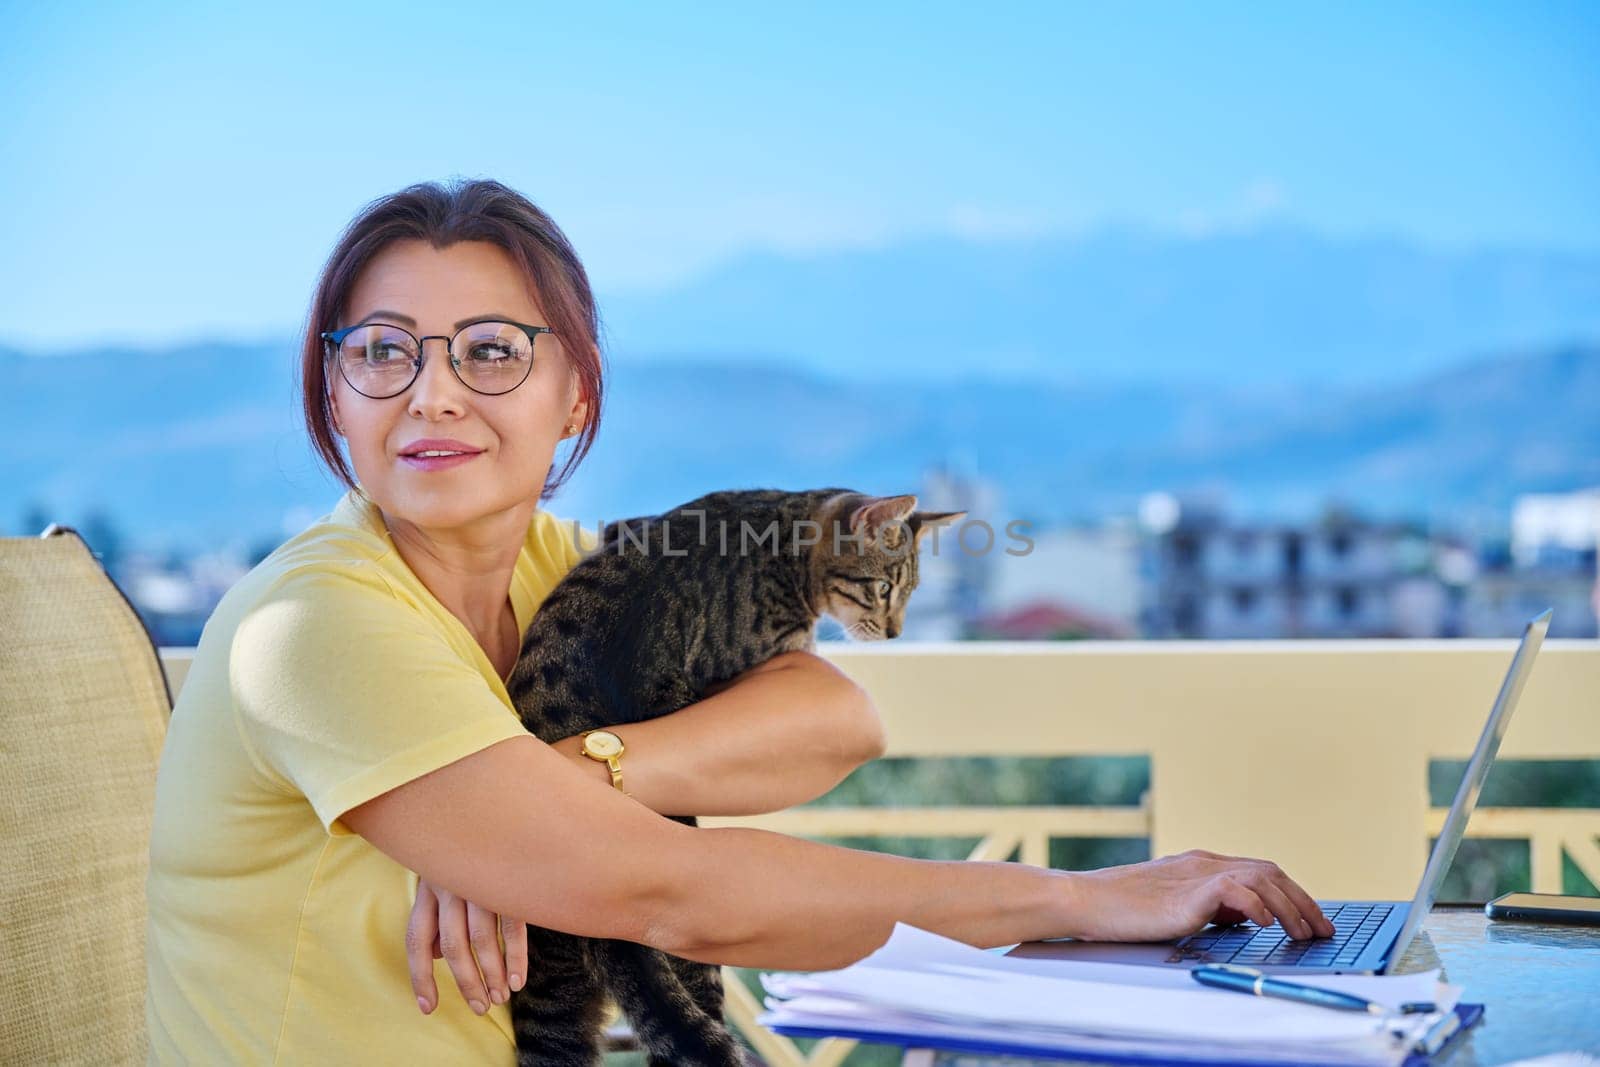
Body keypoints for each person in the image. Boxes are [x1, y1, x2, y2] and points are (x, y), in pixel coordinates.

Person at [144, 178, 1334, 1064]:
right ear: (333, 393)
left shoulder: (561, 566)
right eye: (383, 352)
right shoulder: (313, 629)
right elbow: (677, 893)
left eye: (492, 351)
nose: (433, 391)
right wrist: (1090, 899)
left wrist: (561, 781)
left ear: (578, 397)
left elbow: (828, 713)